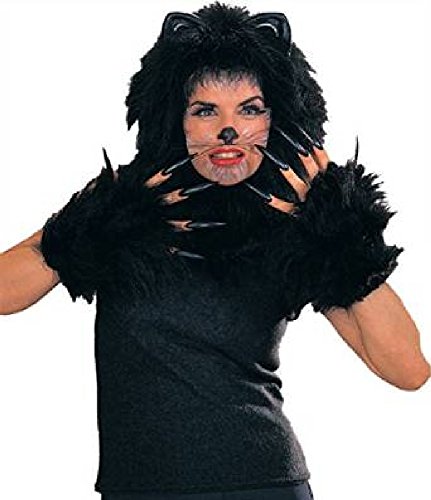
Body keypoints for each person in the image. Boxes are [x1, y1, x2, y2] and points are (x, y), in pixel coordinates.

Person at [1, 2, 429, 499]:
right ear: (174, 118)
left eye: (250, 109)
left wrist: (341, 238)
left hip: (262, 484)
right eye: (205, 110)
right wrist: (91, 228)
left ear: (279, 119)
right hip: (135, 488)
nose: (229, 130)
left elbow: (407, 369)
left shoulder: (292, 225)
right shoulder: (120, 207)